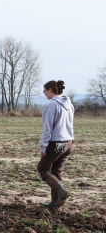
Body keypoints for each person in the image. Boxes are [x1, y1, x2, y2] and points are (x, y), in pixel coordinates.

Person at [38, 79, 74, 210]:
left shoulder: (51, 105)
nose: (45, 94)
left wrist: (43, 146)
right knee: (56, 172)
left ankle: (61, 192)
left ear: (50, 90)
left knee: (43, 169)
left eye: (44, 91)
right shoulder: (69, 104)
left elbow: (47, 128)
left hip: (56, 143)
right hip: (69, 142)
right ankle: (55, 201)